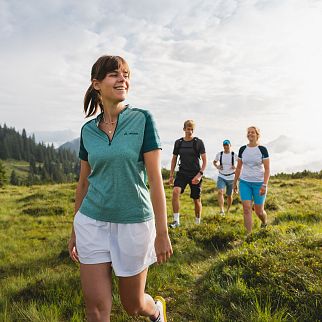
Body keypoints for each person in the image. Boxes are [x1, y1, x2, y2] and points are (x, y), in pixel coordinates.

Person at [68, 55, 172, 322]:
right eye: (114, 74)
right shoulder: (87, 131)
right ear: (96, 84)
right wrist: (74, 231)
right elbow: (83, 183)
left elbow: (155, 179)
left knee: (133, 305)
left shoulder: (143, 120)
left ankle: (156, 311)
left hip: (134, 222)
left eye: (126, 74)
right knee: (96, 309)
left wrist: (162, 232)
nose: (122, 79)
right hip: (91, 223)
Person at [168, 120, 207, 227]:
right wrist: (171, 175)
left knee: (196, 199)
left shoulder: (198, 142)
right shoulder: (178, 143)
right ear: (184, 129)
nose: (190, 131)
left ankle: (197, 222)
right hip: (182, 173)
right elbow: (174, 159)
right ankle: (176, 221)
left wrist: (199, 175)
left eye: (191, 129)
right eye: (188, 129)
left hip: (195, 174)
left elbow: (204, 161)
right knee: (176, 192)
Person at [233, 126, 270, 234]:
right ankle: (248, 235)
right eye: (248, 132)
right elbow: (239, 167)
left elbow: (267, 169)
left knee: (259, 211)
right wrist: (235, 182)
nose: (250, 134)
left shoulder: (262, 149)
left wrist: (264, 185)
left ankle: (264, 222)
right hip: (244, 183)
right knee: (246, 208)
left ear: (257, 135)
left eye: (252, 132)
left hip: (259, 184)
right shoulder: (242, 149)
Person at [213, 139, 237, 215]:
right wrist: (217, 166)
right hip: (221, 176)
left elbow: (241, 164)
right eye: (224, 145)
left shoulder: (234, 155)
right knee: (220, 192)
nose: (226, 146)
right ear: (223, 146)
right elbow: (214, 162)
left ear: (230, 145)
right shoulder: (219, 154)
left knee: (229, 195)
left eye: (227, 145)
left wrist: (235, 167)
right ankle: (221, 211)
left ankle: (227, 210)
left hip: (231, 178)